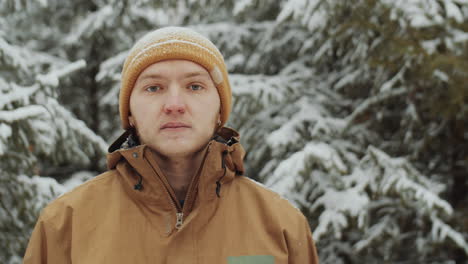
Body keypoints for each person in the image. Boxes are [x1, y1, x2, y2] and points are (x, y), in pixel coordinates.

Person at [23, 26, 319, 264]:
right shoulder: (65, 224)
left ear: (219, 110)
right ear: (130, 113)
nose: (174, 104)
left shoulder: (281, 225)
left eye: (194, 86)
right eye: (154, 88)